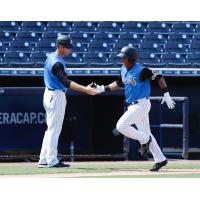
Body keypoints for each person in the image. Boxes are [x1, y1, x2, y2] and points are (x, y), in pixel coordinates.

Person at [92, 46, 175, 171]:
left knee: (121, 126)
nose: (121, 59)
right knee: (146, 133)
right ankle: (161, 159)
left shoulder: (142, 70)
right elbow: (119, 83)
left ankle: (145, 140)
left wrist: (166, 93)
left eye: (123, 57)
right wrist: (103, 88)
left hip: (141, 104)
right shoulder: (123, 69)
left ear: (131, 59)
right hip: (133, 105)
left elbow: (159, 77)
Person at [38, 35, 97, 168]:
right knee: (54, 129)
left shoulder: (51, 56)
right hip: (56, 95)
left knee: (50, 129)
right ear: (59, 47)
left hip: (49, 93)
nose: (69, 50)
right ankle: (52, 160)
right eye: (67, 47)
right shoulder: (57, 62)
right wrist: (85, 89)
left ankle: (44, 159)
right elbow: (65, 81)